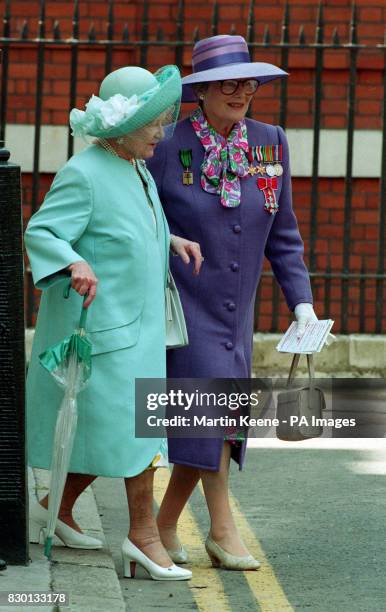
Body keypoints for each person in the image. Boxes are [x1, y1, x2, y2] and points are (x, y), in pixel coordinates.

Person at [25, 64, 203, 581]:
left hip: (137, 330)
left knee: (108, 433)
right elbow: (43, 231)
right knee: (136, 433)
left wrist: (170, 240)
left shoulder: (135, 166)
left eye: (163, 120)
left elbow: (125, 224)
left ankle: (53, 508)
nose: (160, 132)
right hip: (106, 333)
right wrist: (73, 262)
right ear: (123, 126)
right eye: (153, 122)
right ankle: (143, 538)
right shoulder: (84, 171)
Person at [147, 35, 318, 570]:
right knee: (214, 415)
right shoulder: (167, 144)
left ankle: (162, 526)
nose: (242, 91)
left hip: (236, 313)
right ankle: (223, 531)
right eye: (229, 82)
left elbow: (283, 234)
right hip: (185, 305)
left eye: (249, 82)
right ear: (201, 91)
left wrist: (303, 304)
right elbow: (143, 222)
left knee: (212, 419)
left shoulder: (270, 142)